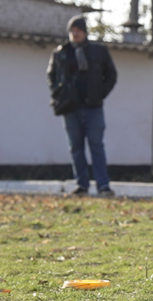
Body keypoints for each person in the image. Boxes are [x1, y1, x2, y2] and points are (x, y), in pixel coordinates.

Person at [47, 15, 117, 197]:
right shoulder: (60, 52)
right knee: (76, 148)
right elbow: (51, 75)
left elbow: (111, 75)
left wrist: (100, 94)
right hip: (70, 108)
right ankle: (81, 185)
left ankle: (103, 185)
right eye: (72, 30)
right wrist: (58, 93)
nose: (74, 33)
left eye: (77, 30)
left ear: (84, 32)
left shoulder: (98, 51)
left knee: (96, 146)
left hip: (93, 107)